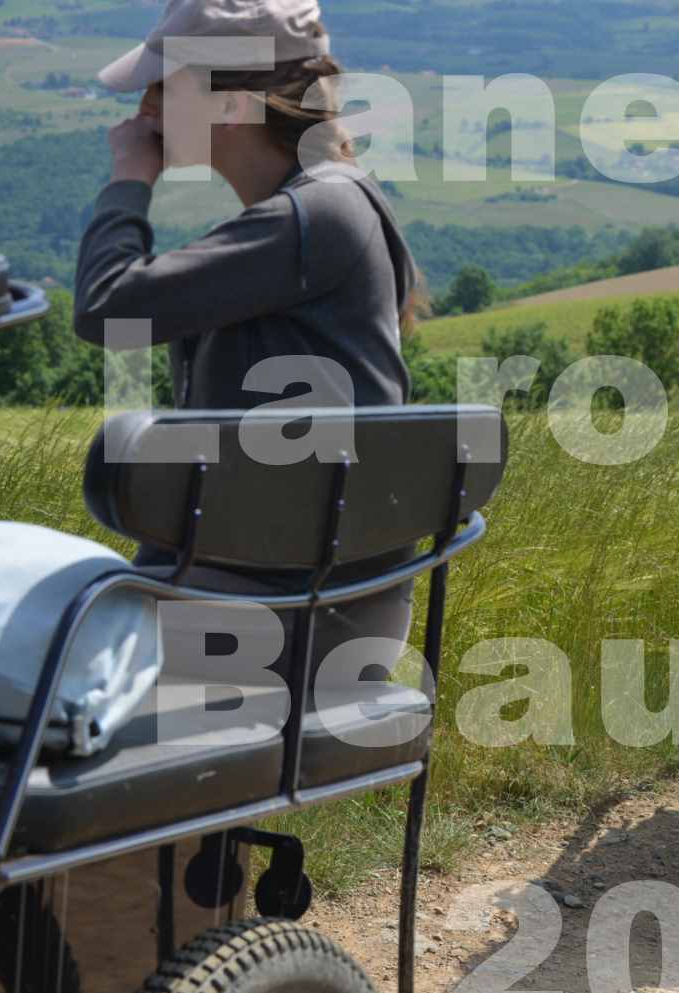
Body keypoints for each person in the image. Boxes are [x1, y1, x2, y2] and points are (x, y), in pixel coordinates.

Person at [72, 0, 421, 691]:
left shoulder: (309, 217)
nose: (143, 107)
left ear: (229, 104)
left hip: (276, 615)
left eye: (162, 85)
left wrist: (127, 181)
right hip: (314, 600)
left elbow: (109, 312)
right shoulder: (332, 204)